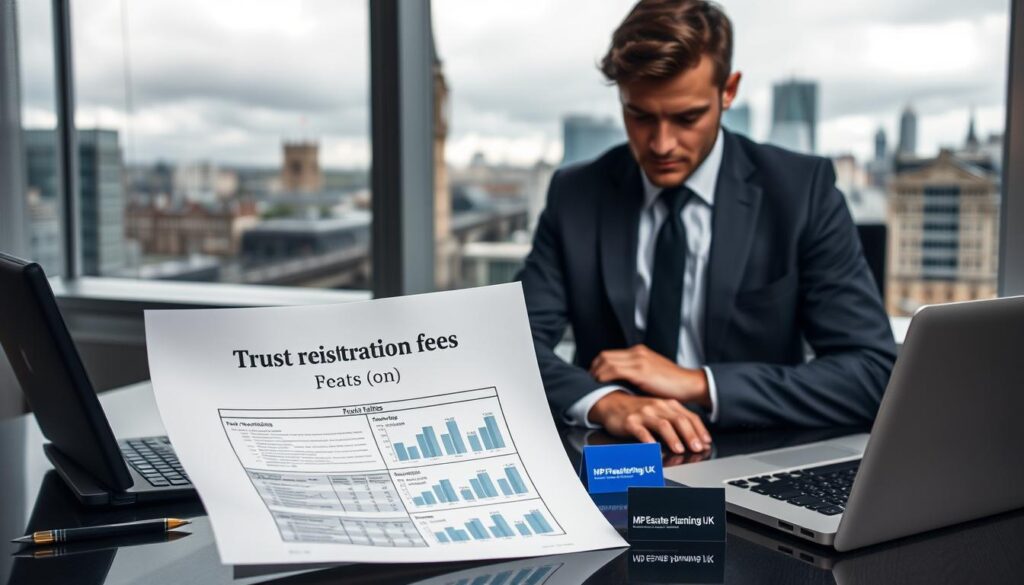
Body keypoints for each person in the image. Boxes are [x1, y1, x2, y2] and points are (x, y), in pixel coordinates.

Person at [519, 0, 897, 455]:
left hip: (754, 454)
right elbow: (511, 346)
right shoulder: (576, 193)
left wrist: (700, 384)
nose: (661, 144)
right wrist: (605, 401)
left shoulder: (799, 192)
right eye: (639, 116)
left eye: (687, 118)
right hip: (613, 458)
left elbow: (871, 373)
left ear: (729, 90)